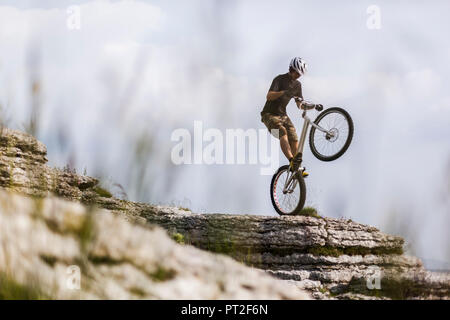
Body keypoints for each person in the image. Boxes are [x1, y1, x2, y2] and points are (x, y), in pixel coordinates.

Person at [260, 57, 308, 175]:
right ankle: (291, 160)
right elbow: (269, 96)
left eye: (300, 74)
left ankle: (297, 167)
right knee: (282, 132)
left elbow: (299, 104)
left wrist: (308, 106)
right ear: (291, 69)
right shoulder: (279, 79)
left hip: (283, 116)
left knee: (294, 138)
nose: (298, 76)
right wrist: (283, 92)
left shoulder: (298, 85)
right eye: (297, 72)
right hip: (268, 116)